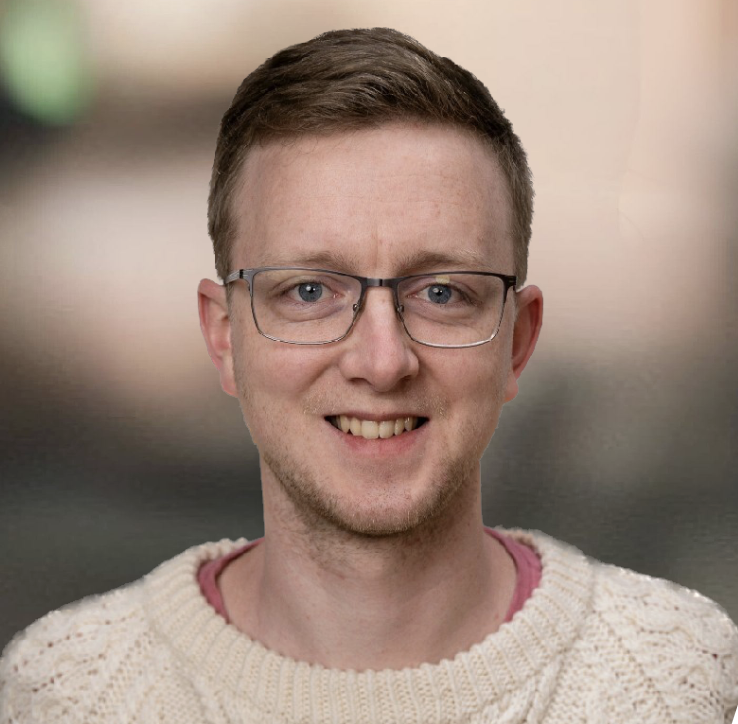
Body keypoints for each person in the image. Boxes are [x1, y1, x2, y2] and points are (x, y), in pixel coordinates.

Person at [1, 27, 737, 724]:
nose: (382, 363)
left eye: (442, 293)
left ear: (519, 341)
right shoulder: (66, 689)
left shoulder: (682, 674)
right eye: (309, 292)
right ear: (222, 337)